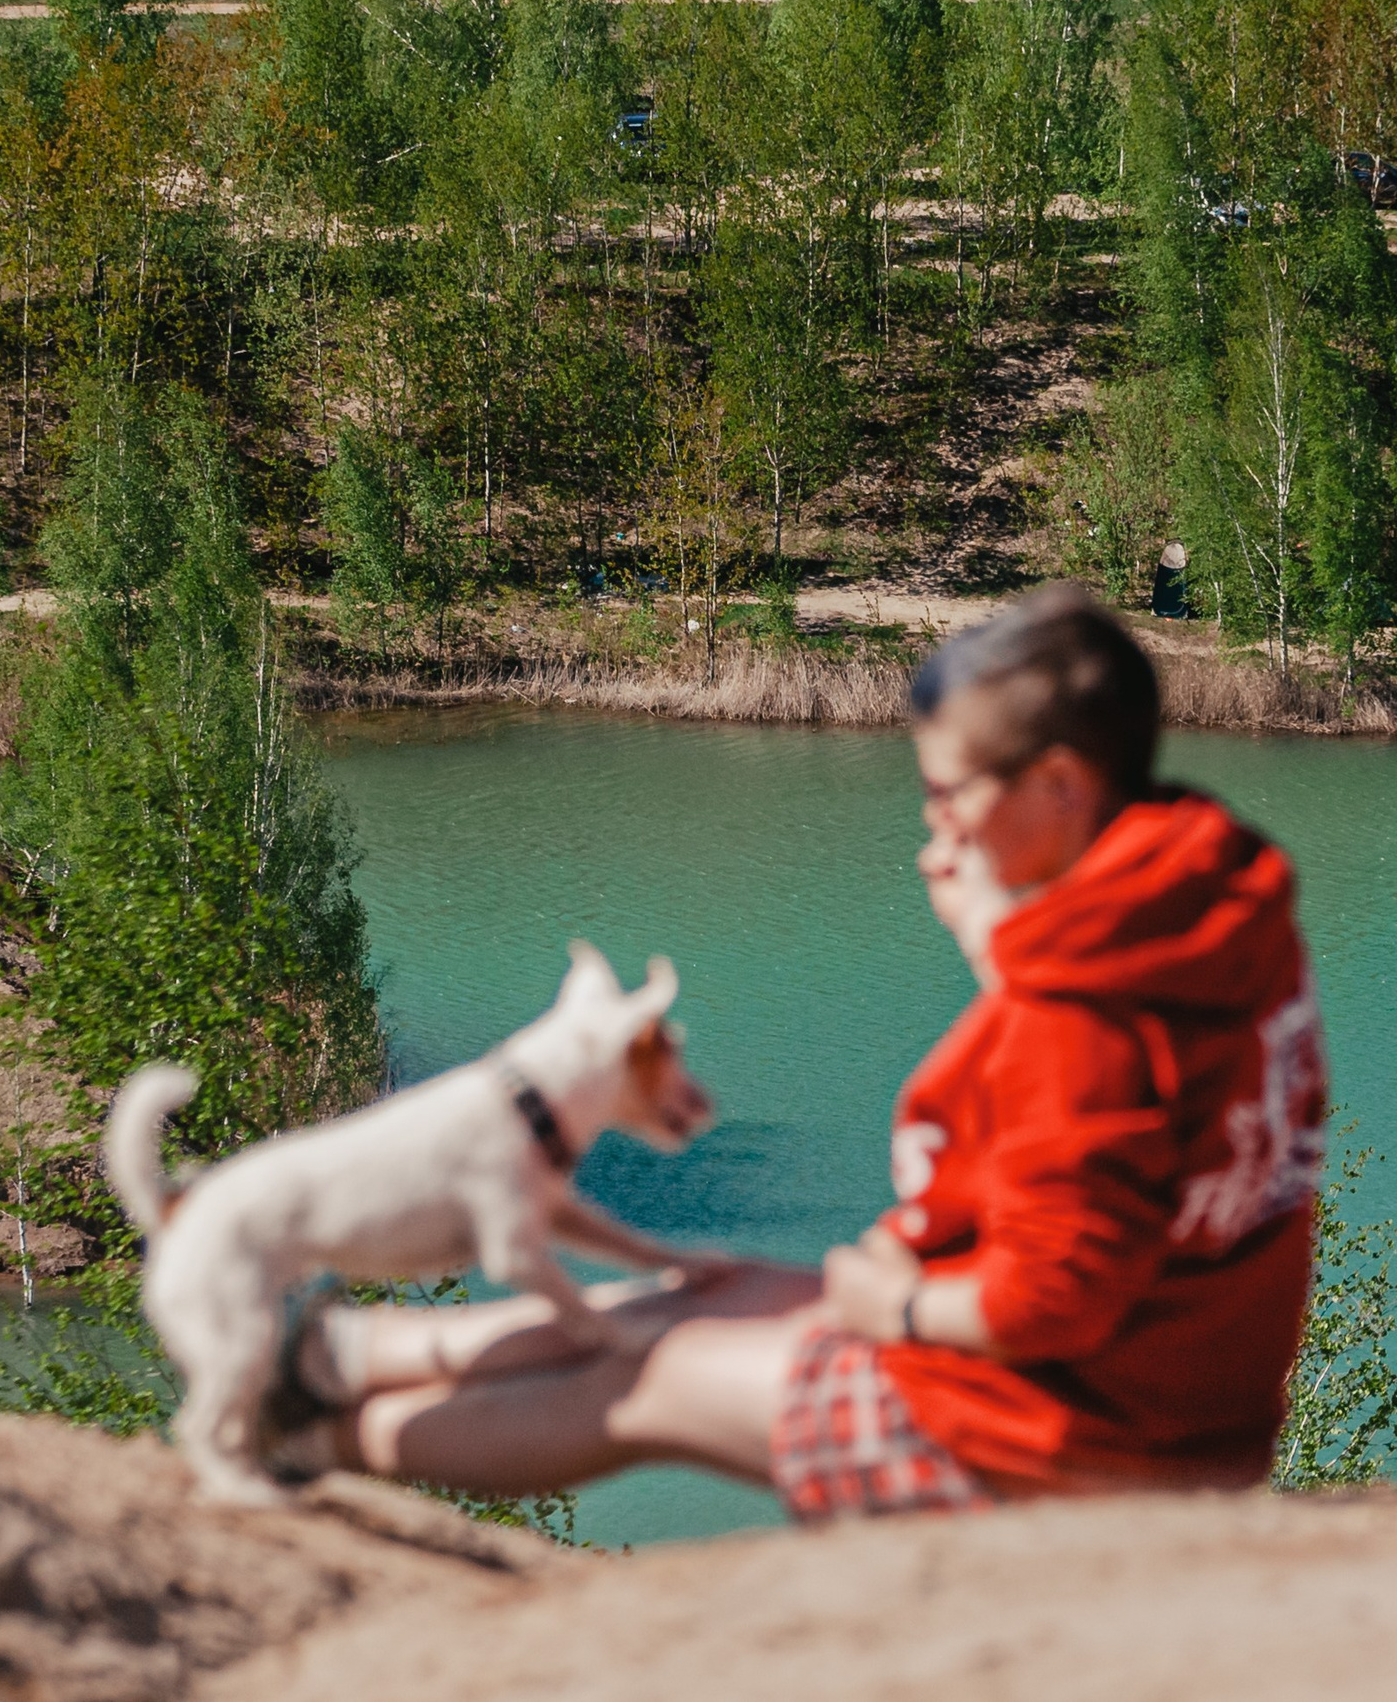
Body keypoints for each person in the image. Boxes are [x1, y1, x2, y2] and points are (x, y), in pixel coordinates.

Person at [275, 585, 1329, 1520]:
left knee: (656, 1384)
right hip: (1180, 1405)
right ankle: (345, 1358)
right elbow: (1114, 1100)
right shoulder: (1217, 903)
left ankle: (304, 1447)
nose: (934, 829)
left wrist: (901, 1307)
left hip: (1070, 1449)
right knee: (711, 1289)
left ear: (1058, 786)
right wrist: (1003, 938)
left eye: (949, 794)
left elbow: (1055, 1298)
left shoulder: (1079, 1011)